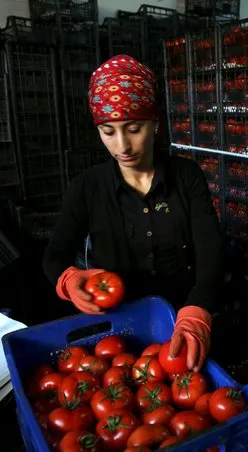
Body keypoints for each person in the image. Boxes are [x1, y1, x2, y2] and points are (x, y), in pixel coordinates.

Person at [42, 55, 224, 372]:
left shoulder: (186, 176)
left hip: (178, 323)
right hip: (116, 332)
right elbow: (54, 255)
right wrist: (68, 279)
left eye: (134, 129)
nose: (122, 146)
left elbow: (210, 248)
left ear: (155, 123)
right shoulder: (87, 187)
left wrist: (199, 306)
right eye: (108, 132)